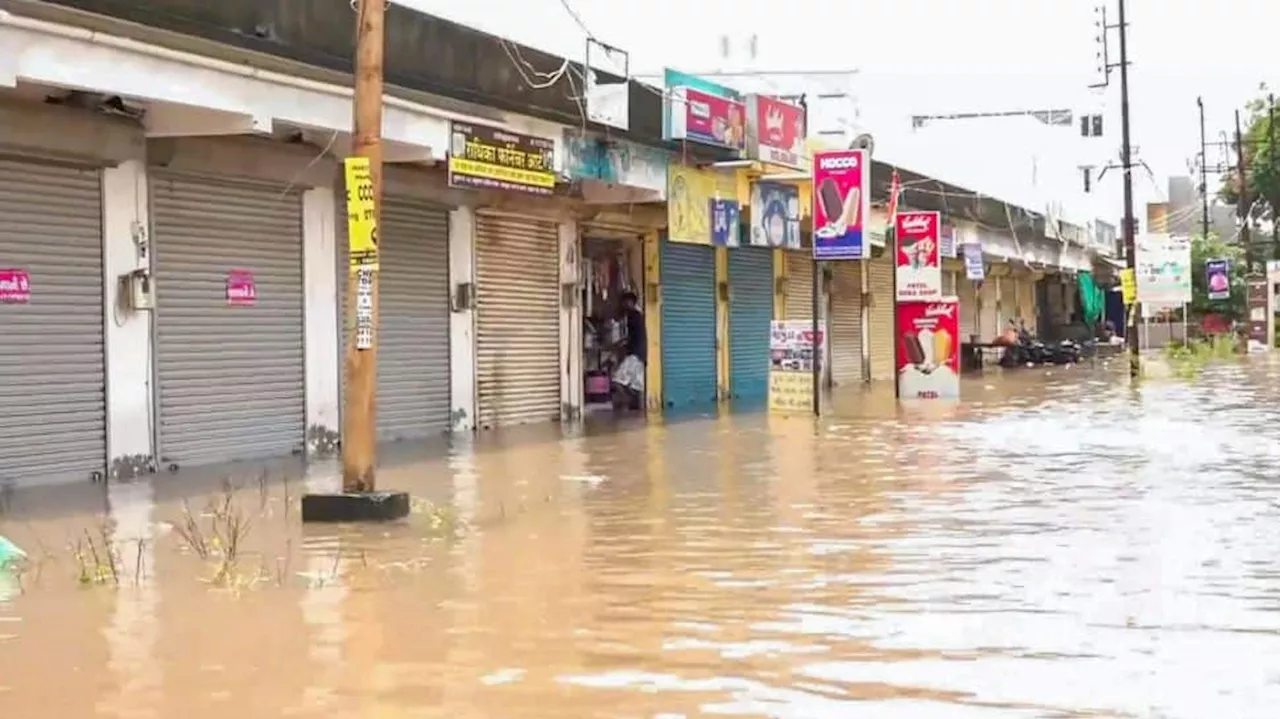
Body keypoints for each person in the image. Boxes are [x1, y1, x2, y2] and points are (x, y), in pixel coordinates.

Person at [612, 291, 646, 411]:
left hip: (635, 354)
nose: (624, 304)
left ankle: (626, 403)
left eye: (626, 302)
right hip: (640, 355)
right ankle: (637, 412)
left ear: (631, 302)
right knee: (635, 387)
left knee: (617, 380)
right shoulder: (636, 315)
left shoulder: (633, 316)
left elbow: (633, 336)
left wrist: (622, 343)